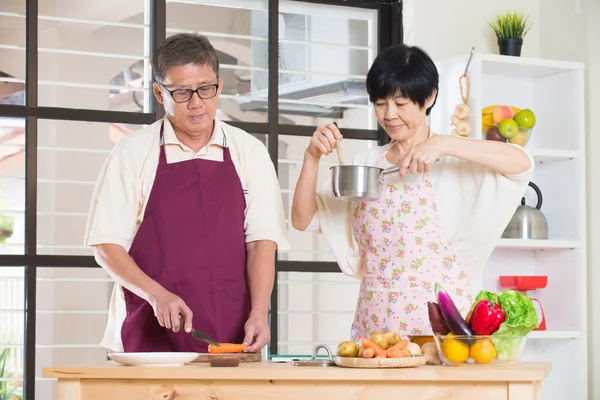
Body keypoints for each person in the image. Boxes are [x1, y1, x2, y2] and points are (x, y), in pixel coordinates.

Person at [291, 44, 533, 343]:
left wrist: (445, 144)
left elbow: (521, 163)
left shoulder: (454, 162)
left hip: (443, 334)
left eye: (401, 103)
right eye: (380, 104)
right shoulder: (365, 165)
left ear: (429, 97)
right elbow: (301, 219)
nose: (390, 115)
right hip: (375, 331)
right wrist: (311, 156)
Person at [85, 33, 288, 354]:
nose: (196, 103)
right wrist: (157, 295)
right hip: (149, 329)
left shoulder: (249, 151)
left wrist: (260, 312)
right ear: (158, 92)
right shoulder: (134, 151)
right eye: (181, 92)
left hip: (234, 330)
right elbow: (107, 246)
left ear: (219, 86)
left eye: (205, 89)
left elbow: (262, 242)